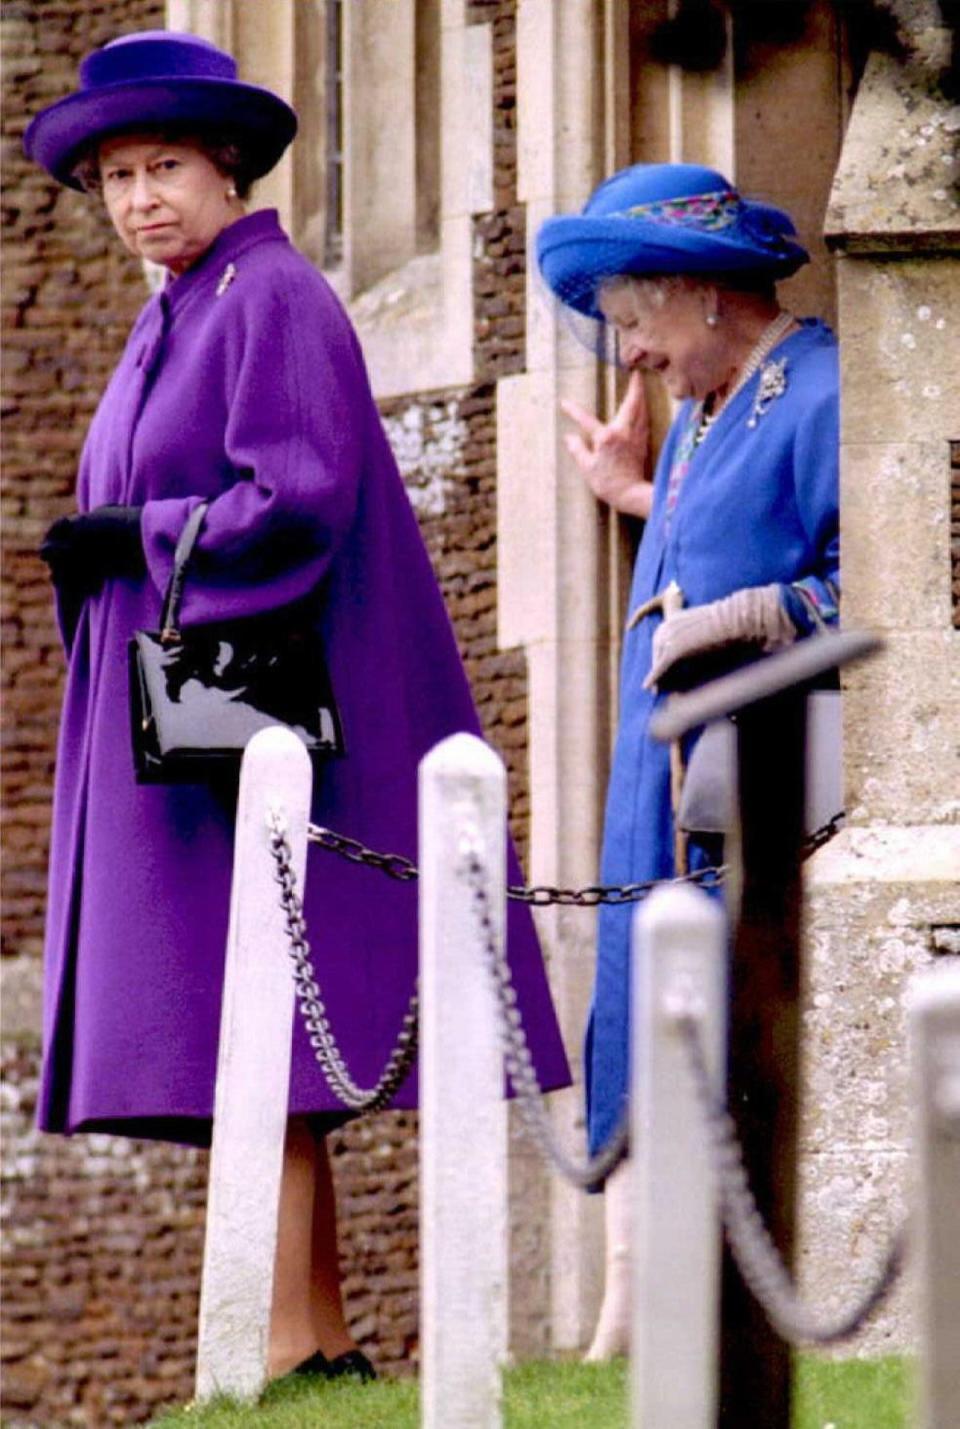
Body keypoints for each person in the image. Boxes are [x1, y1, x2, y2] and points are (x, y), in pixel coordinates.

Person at [24, 30, 570, 1384]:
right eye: (116, 177)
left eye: (164, 166)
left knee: (247, 1026)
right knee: (251, 1035)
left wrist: (140, 538)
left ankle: (270, 1348)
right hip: (185, 727)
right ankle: (318, 1338)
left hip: (253, 733)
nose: (140, 196)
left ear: (225, 169)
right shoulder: (181, 307)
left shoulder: (269, 296)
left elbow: (300, 496)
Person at [536, 163, 839, 1359]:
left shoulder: (818, 391)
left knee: (724, 1039)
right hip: (654, 797)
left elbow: (893, 581)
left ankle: (712, 1313)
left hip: (749, 804)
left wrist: (763, 616)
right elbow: (710, 542)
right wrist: (627, 488)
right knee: (646, 1017)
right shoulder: (714, 409)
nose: (632, 360)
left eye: (635, 323)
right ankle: (634, 1307)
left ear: (706, 294)